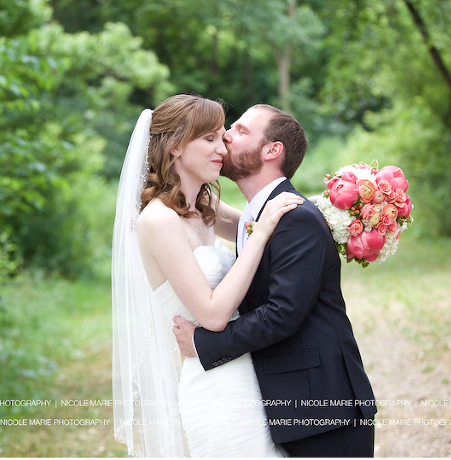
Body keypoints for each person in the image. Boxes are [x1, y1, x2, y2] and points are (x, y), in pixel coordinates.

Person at [173, 104, 377, 457]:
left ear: (272, 150)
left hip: (324, 408)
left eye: (240, 131)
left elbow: (282, 314)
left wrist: (204, 344)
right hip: (294, 404)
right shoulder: (256, 217)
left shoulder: (295, 218)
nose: (226, 136)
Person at [112, 95, 303, 457]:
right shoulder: (158, 220)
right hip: (216, 388)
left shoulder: (203, 205)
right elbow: (213, 315)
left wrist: (342, 206)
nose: (223, 147)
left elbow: (271, 218)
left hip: (246, 371)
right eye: (210, 138)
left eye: (223, 136)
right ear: (175, 146)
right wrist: (259, 235)